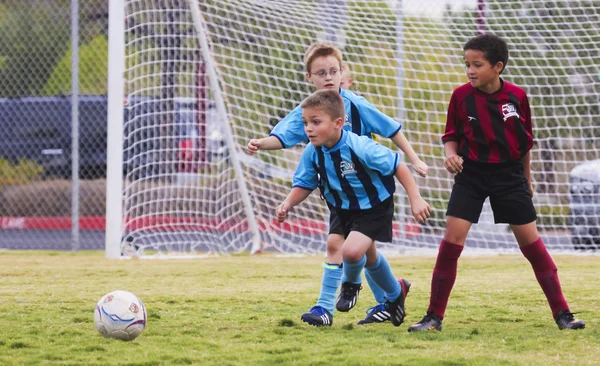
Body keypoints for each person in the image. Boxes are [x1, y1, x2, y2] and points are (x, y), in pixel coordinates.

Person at [407, 33, 585, 332]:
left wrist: (526, 180)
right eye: (467, 64)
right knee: (451, 243)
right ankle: (433, 317)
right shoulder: (460, 96)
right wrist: (451, 156)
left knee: (532, 245)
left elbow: (525, 143)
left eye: (477, 64)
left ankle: (564, 315)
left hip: (509, 177)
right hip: (472, 176)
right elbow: (450, 136)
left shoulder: (517, 96)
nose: (470, 71)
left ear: (498, 66)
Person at [247, 43, 428, 326]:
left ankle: (354, 289)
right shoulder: (309, 116)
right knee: (351, 250)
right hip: (339, 197)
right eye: (321, 73)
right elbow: (283, 139)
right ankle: (370, 300)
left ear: (343, 73)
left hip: (370, 195)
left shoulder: (357, 118)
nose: (328, 77)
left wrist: (415, 161)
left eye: (334, 71)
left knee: (351, 251)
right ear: (310, 78)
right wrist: (261, 144)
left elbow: (391, 130)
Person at [276, 89, 431, 327]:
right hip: (341, 205)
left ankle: (350, 285)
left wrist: (416, 198)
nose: (308, 128)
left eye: (316, 122)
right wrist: (287, 202)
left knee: (350, 252)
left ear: (339, 123)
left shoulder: (360, 146)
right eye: (305, 122)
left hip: (373, 205)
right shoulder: (312, 150)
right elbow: (304, 183)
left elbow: (398, 165)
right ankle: (395, 293)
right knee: (363, 256)